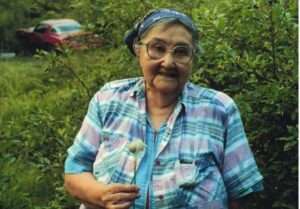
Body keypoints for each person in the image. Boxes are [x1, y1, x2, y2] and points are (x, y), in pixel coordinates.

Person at [64, 8, 263, 209]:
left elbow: (239, 195)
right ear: (138, 50)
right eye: (157, 48)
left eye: (181, 52)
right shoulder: (108, 99)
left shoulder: (219, 109)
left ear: (192, 58)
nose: (168, 62)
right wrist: (100, 195)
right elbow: (74, 173)